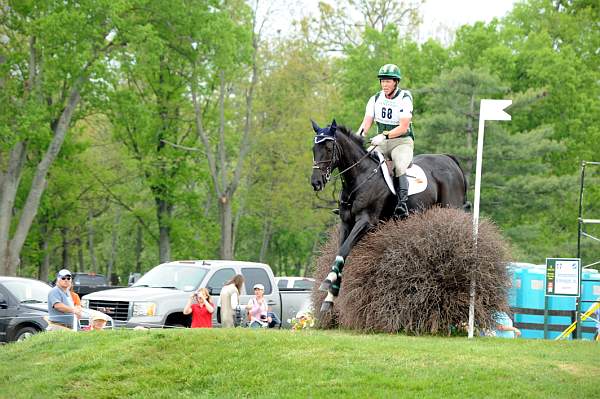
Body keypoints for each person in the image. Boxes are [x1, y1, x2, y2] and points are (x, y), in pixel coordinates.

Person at [357, 63, 414, 219]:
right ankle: (354, 201)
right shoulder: (375, 98)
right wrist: (358, 136)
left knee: (399, 166)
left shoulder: (405, 98)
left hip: (401, 142)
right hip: (381, 143)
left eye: (388, 81)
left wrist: (384, 135)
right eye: (382, 81)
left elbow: (403, 127)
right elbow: (366, 123)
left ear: (396, 82)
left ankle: (402, 205)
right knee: (360, 162)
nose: (384, 84)